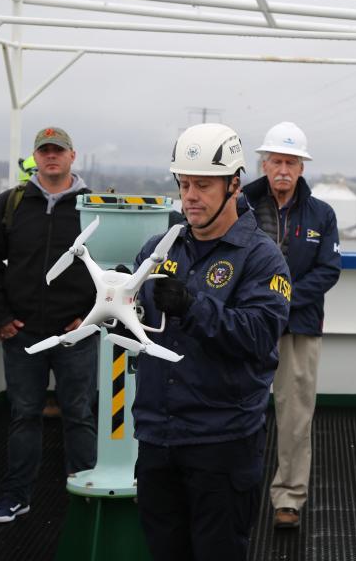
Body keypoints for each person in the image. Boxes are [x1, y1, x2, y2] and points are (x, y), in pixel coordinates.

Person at [131, 123, 291, 561]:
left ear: (234, 184)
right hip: (157, 437)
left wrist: (192, 305)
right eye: (184, 184)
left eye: (203, 185)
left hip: (221, 443)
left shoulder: (261, 257)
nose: (190, 196)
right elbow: (138, 325)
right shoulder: (158, 248)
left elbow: (260, 335)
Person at [0, 127, 97, 523]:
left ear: (72, 156)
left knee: (78, 412)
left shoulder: (93, 206)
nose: (51, 157)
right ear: (36, 157)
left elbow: (114, 266)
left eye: (58, 151)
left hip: (74, 331)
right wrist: (0, 318)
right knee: (24, 414)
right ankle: (16, 495)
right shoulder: (13, 203)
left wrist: (89, 316)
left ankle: (86, 492)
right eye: (44, 151)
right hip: (22, 331)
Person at [243, 121, 341, 529]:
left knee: (296, 416)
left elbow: (329, 270)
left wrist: (283, 298)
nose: (283, 169)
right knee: (236, 409)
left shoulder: (322, 214)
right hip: (245, 327)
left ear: (302, 168)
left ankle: (289, 498)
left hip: (299, 328)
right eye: (277, 161)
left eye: (291, 162)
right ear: (264, 164)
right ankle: (237, 490)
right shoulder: (240, 207)